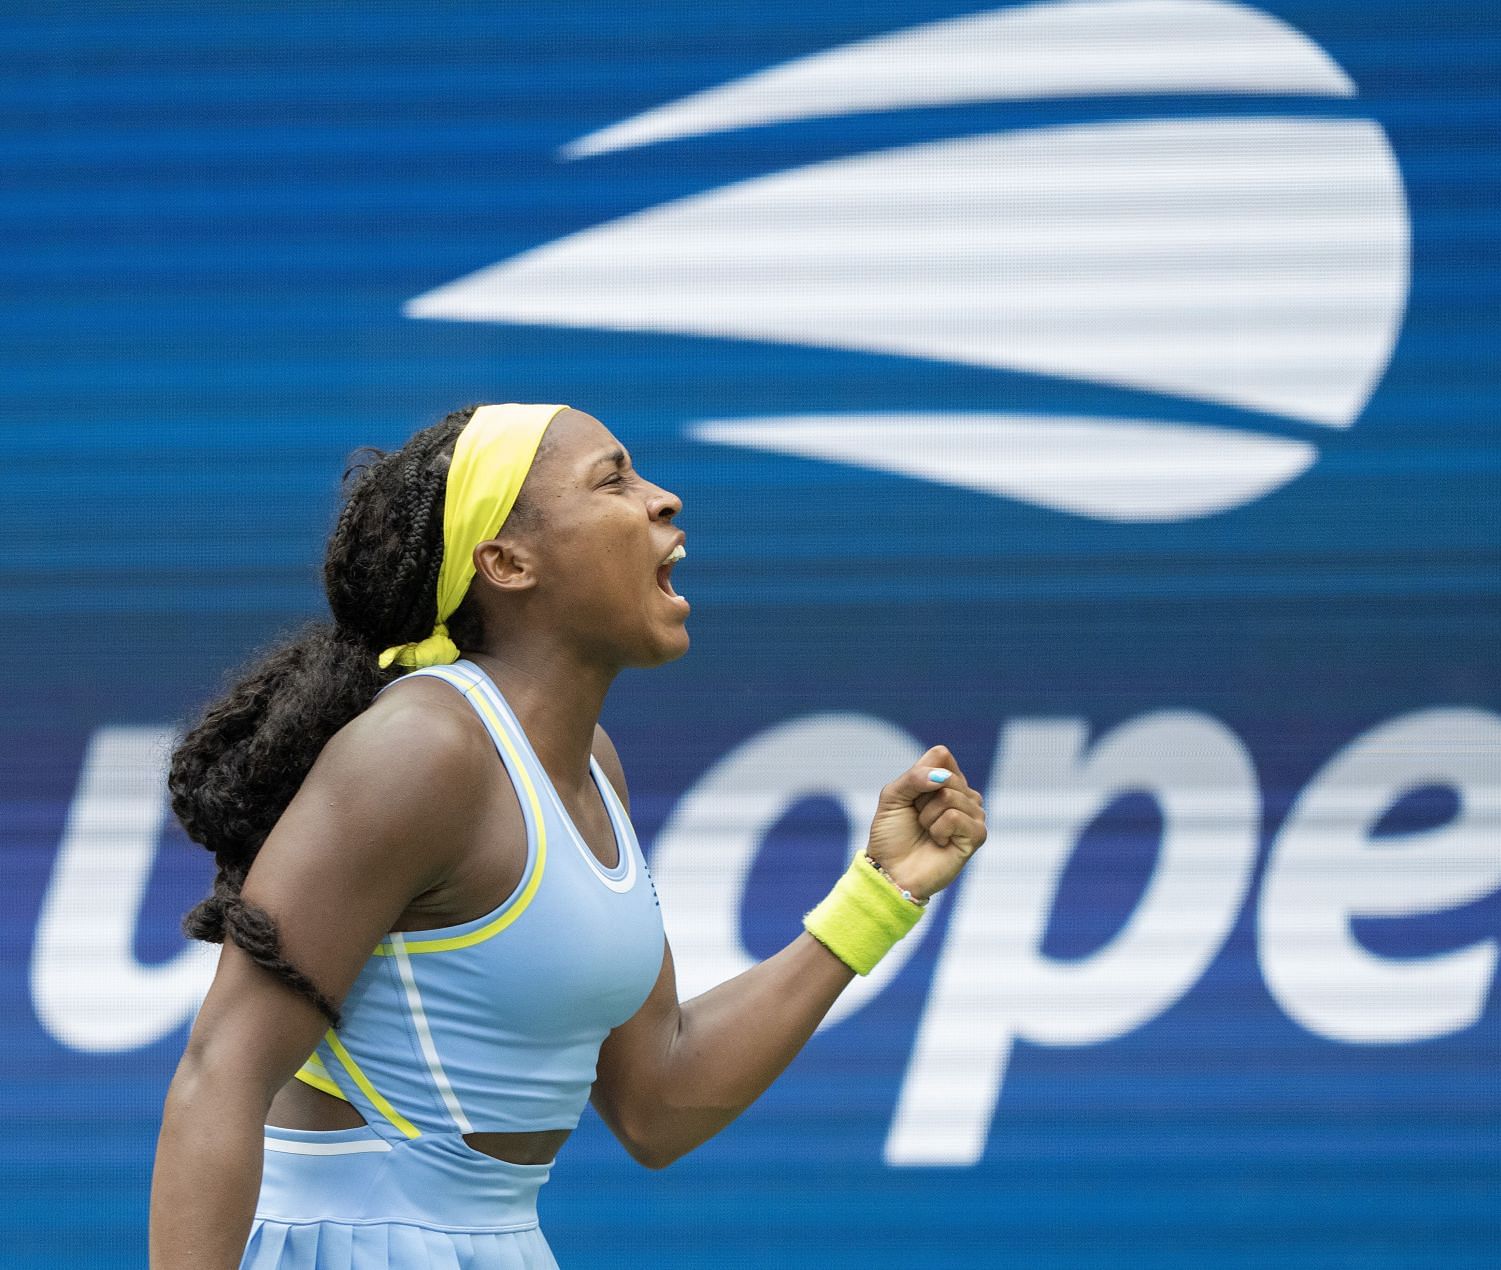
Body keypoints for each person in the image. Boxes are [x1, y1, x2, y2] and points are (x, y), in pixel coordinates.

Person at [150, 403, 989, 1268]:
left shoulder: (591, 764)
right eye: (613, 479)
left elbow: (660, 1101)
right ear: (507, 562)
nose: (662, 500)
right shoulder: (420, 751)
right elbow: (222, 1074)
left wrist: (880, 896)